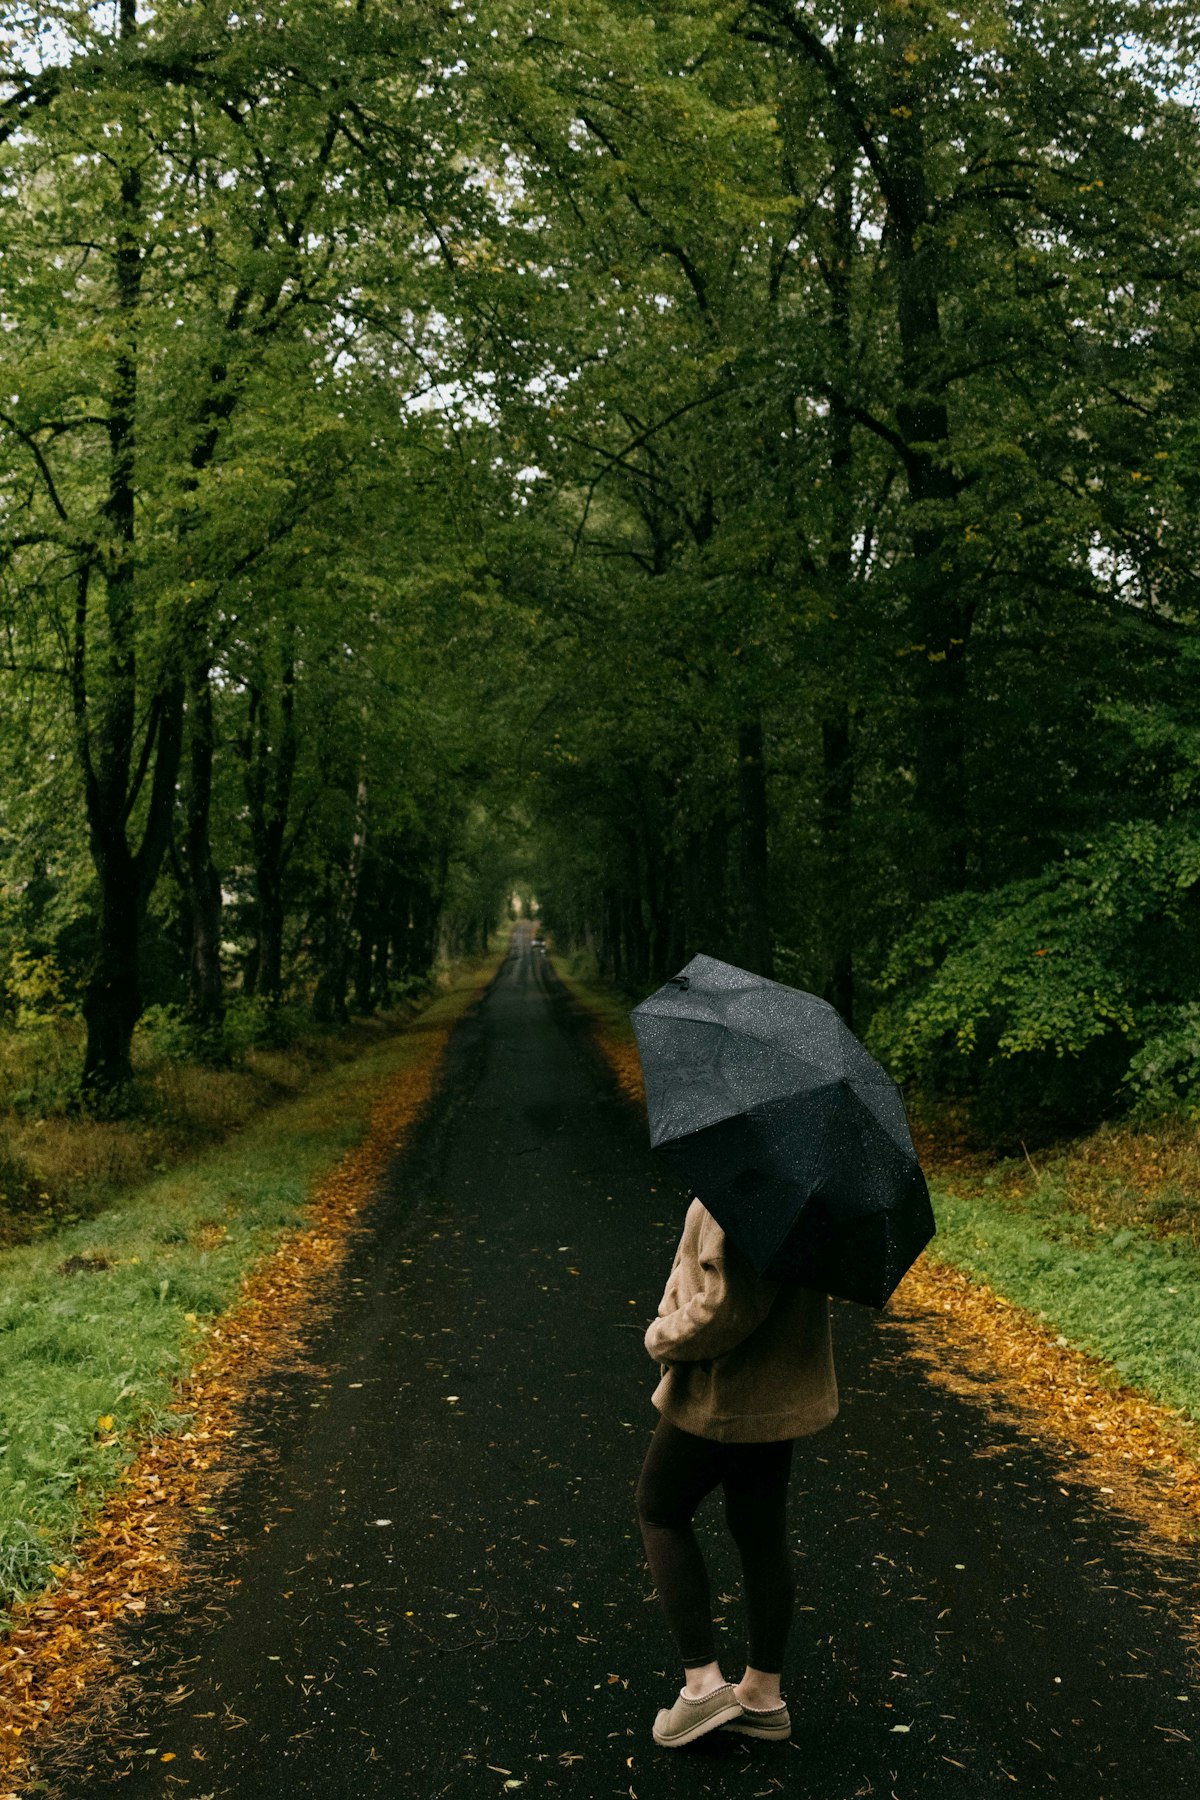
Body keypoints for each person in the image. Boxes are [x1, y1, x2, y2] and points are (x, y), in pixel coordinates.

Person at [636, 1194, 838, 1749]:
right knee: (760, 1533)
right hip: (773, 1398)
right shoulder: (803, 1191)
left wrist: (663, 1335)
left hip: (725, 1393)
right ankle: (763, 1698)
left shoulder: (747, 1193)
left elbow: (727, 1307)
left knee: (660, 1509)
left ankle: (701, 1686)